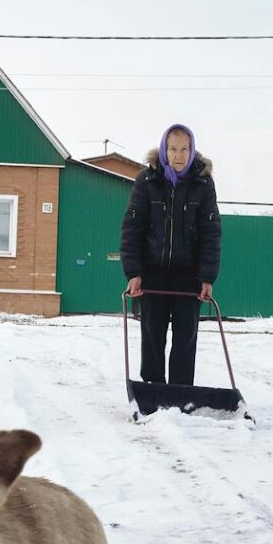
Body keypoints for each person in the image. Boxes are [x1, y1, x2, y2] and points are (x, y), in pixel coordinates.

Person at [119, 123, 222, 387]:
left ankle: (181, 391)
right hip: (153, 274)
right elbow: (133, 228)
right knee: (153, 335)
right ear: (165, 150)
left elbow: (211, 232)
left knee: (186, 337)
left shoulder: (203, 183)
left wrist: (207, 277)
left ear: (192, 150)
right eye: (173, 148)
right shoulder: (147, 180)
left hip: (189, 276)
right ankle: (152, 389)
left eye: (184, 149)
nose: (178, 155)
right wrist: (134, 273)